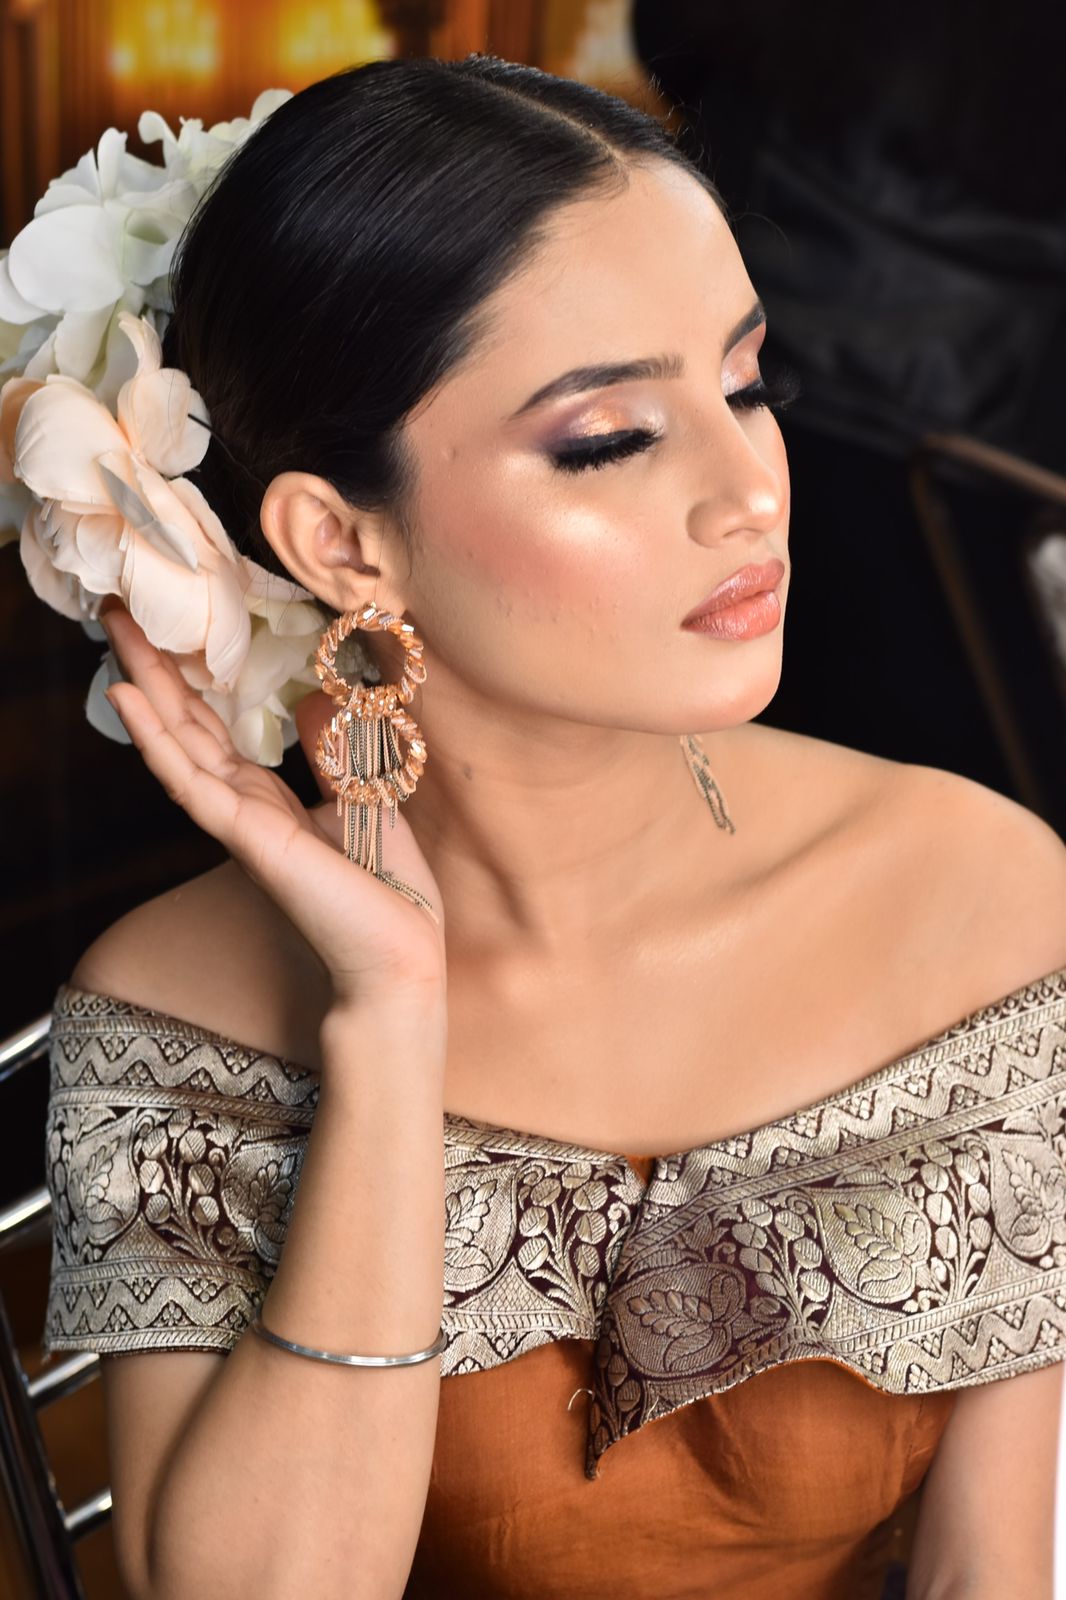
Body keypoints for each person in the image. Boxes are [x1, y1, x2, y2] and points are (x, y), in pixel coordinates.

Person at [15, 55, 1066, 1600]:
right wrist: (389, 1020)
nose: (747, 492)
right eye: (608, 438)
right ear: (340, 541)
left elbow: (991, 1572)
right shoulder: (179, 1014)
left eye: (744, 386)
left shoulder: (977, 897)